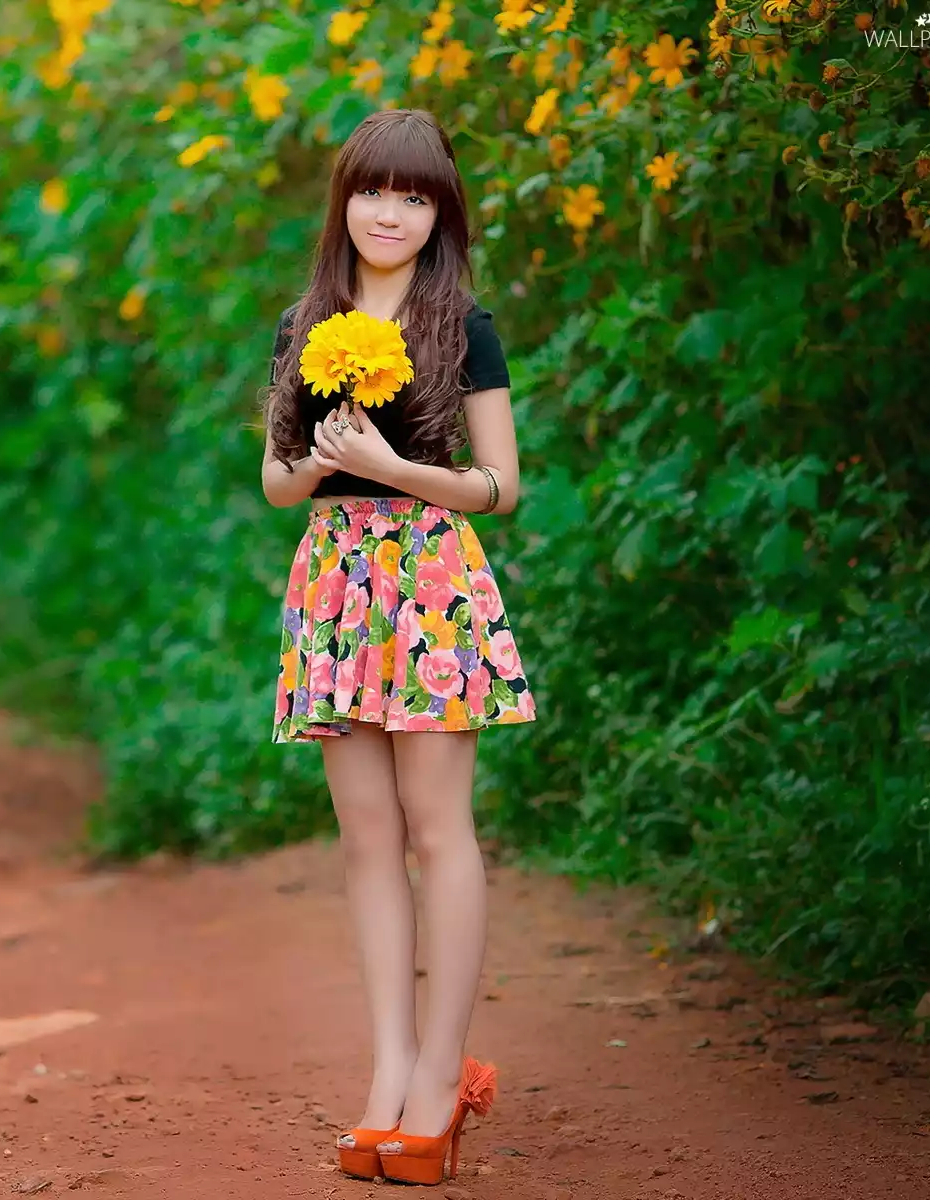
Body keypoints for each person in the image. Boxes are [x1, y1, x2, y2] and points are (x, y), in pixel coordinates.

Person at [259, 107, 536, 1186]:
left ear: (440, 213)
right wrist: (327, 461)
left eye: (414, 196)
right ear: (345, 202)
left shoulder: (465, 327)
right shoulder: (304, 322)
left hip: (429, 580)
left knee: (437, 830)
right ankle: (386, 1072)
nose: (390, 212)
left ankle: (436, 1083)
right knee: (367, 840)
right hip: (333, 580)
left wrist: (393, 461)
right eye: (374, 191)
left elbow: (502, 488)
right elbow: (278, 485)